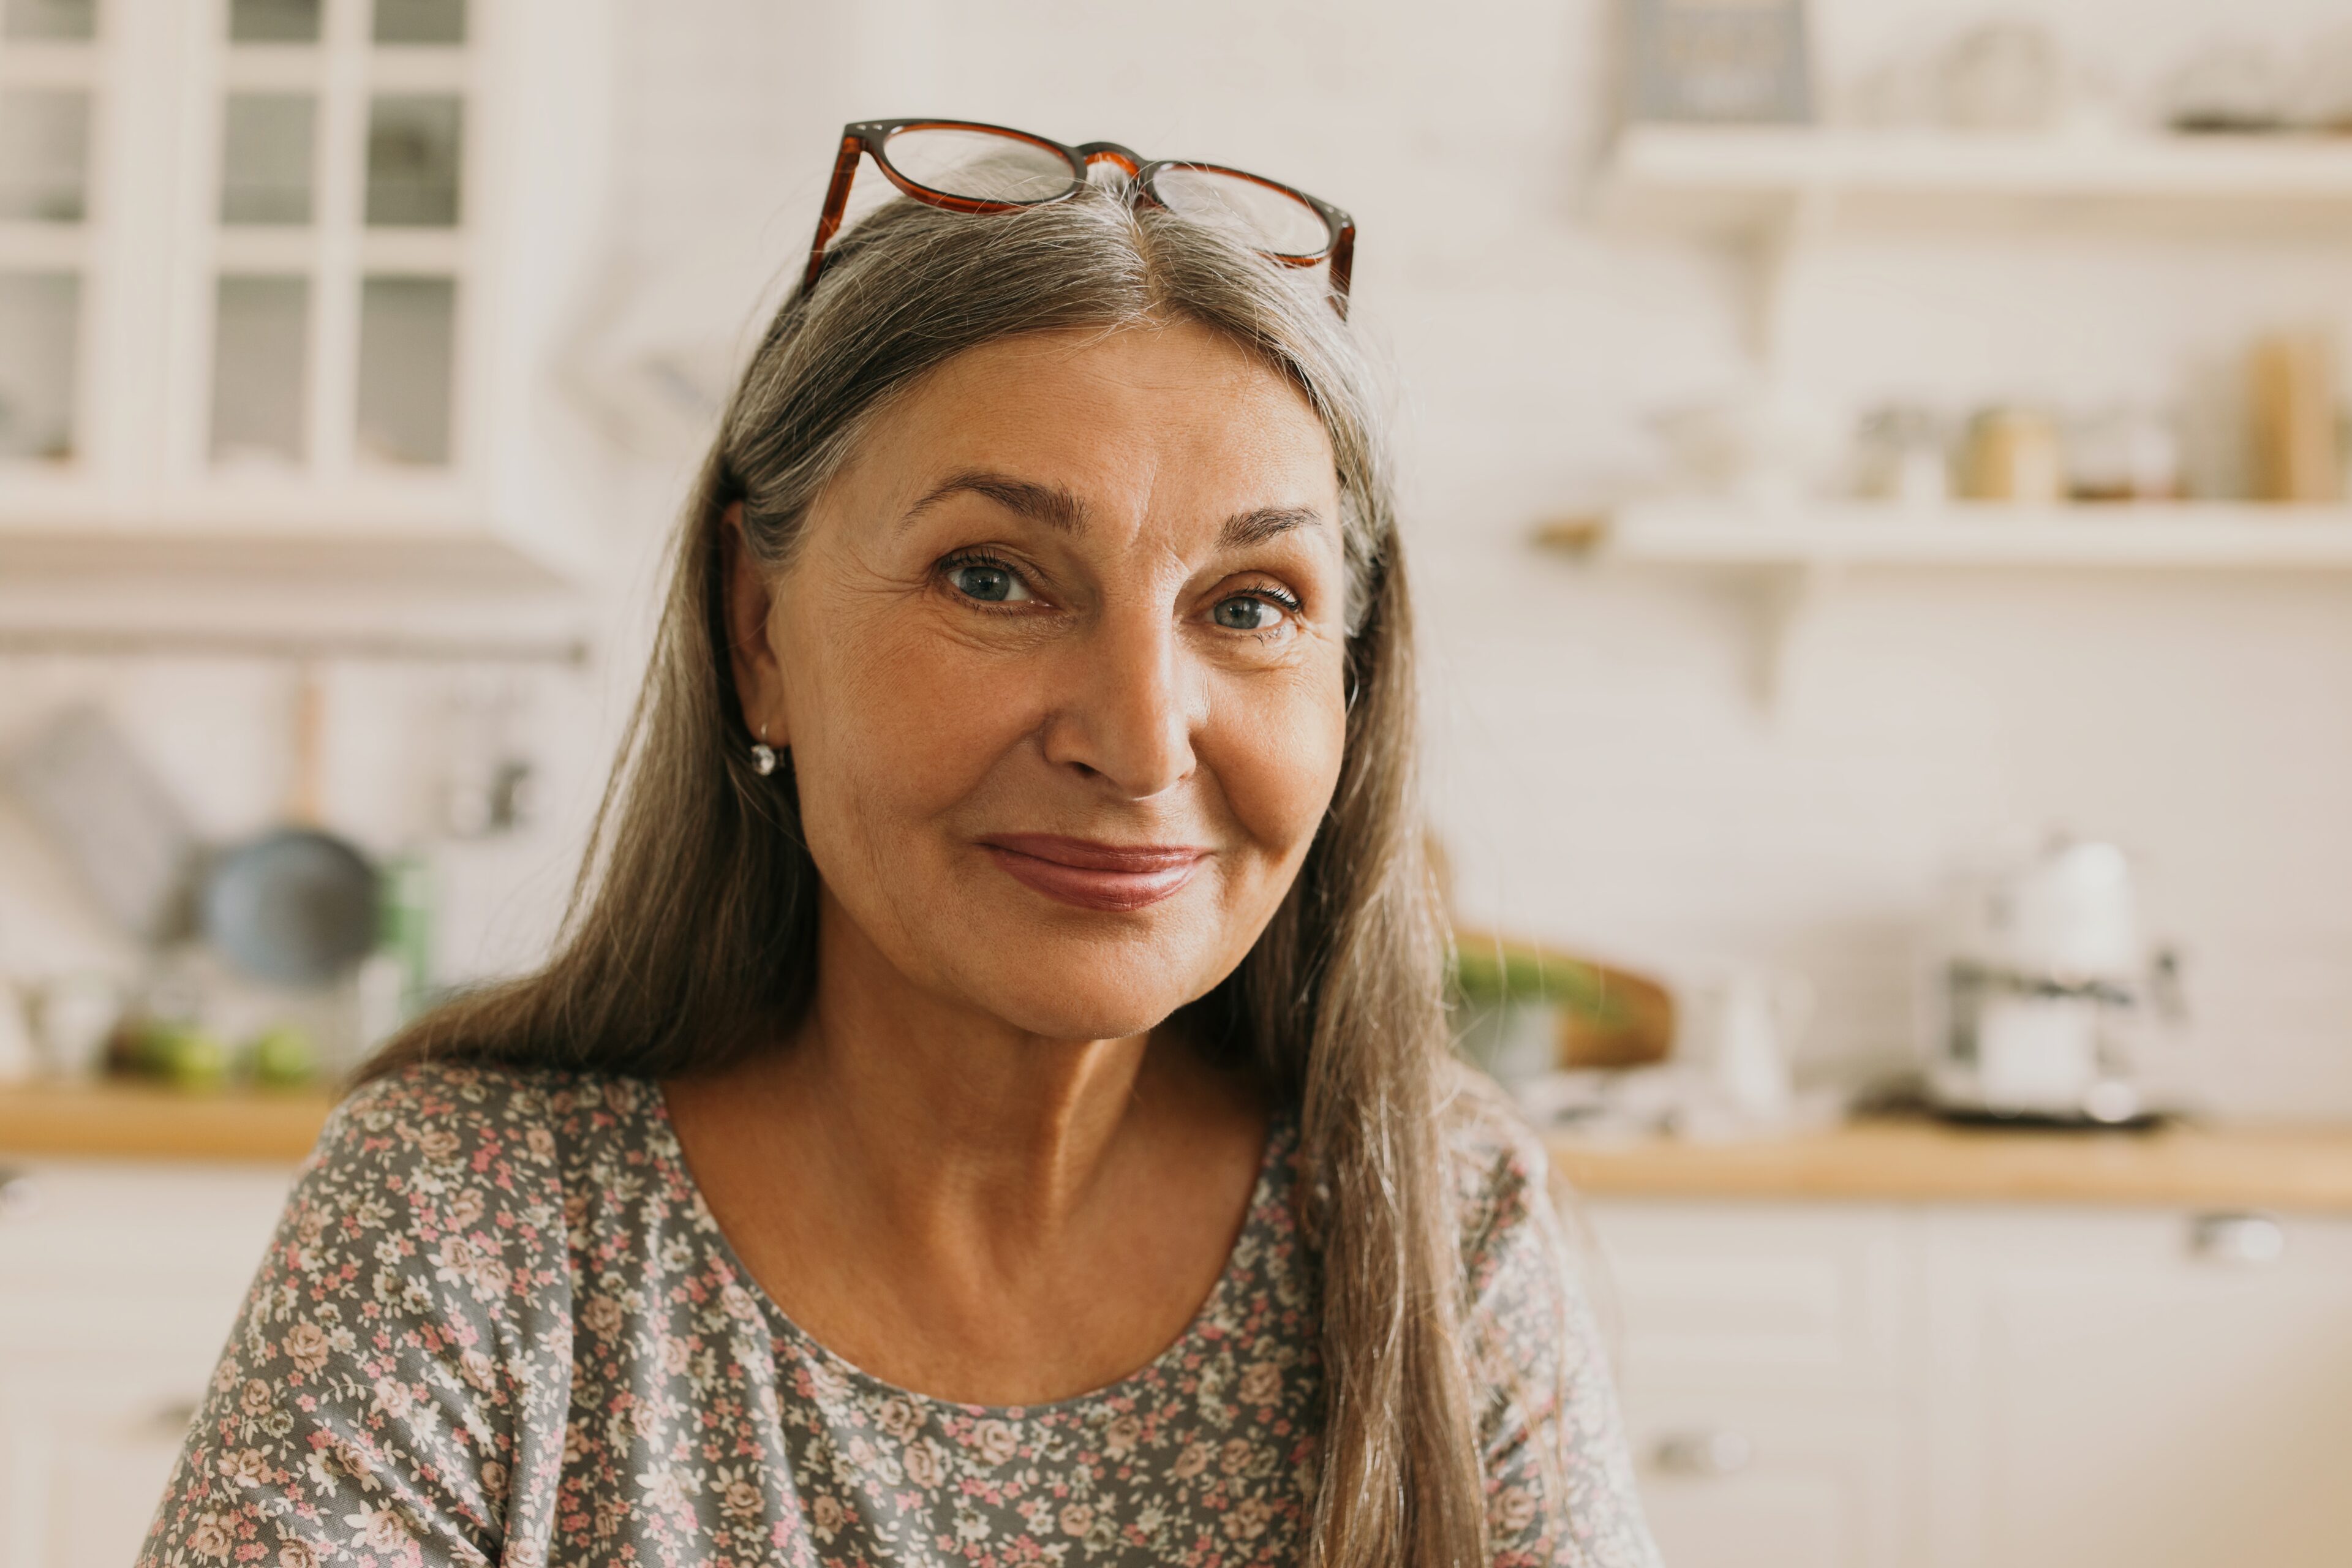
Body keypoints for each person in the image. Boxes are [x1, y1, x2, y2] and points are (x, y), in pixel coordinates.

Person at [140, 121, 1659, 1568]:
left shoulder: (1442, 1224)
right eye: (992, 576)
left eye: (1251, 604)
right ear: (760, 630)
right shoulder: (464, 1222)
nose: (1139, 741)